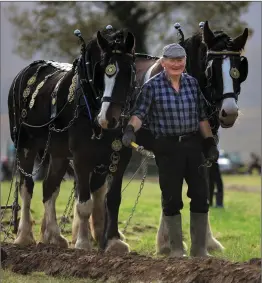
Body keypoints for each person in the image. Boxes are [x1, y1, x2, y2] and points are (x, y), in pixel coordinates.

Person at [122, 43, 219, 258]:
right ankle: (176, 249)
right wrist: (130, 129)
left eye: (180, 60)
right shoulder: (152, 87)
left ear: (184, 62)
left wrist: (210, 142)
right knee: (172, 199)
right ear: (163, 63)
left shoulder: (193, 84)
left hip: (193, 146)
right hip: (167, 148)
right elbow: (139, 114)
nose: (176, 64)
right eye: (172, 60)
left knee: (201, 196)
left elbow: (202, 117)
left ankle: (199, 250)